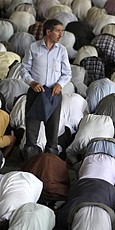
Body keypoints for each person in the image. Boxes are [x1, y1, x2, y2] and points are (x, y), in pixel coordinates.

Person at [21, 19, 72, 159]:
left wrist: (60, 84)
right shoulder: (33, 47)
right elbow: (24, 69)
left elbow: (67, 73)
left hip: (53, 93)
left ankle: (50, 162)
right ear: (48, 32)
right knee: (32, 129)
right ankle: (30, 161)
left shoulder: (62, 50)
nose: (61, 34)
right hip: (36, 92)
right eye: (58, 31)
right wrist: (31, 82)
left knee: (52, 130)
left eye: (62, 31)